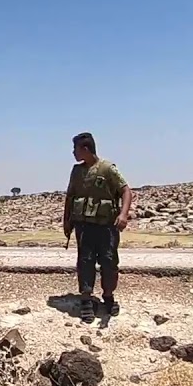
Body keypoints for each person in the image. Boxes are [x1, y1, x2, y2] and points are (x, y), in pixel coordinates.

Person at [62, 132, 133, 323]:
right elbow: (70, 196)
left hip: (106, 226)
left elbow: (126, 191)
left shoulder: (107, 168)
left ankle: (108, 296)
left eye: (76, 149)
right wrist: (67, 221)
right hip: (84, 226)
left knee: (109, 262)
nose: (73, 153)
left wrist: (123, 214)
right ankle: (86, 299)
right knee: (85, 262)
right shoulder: (77, 171)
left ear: (85, 149)